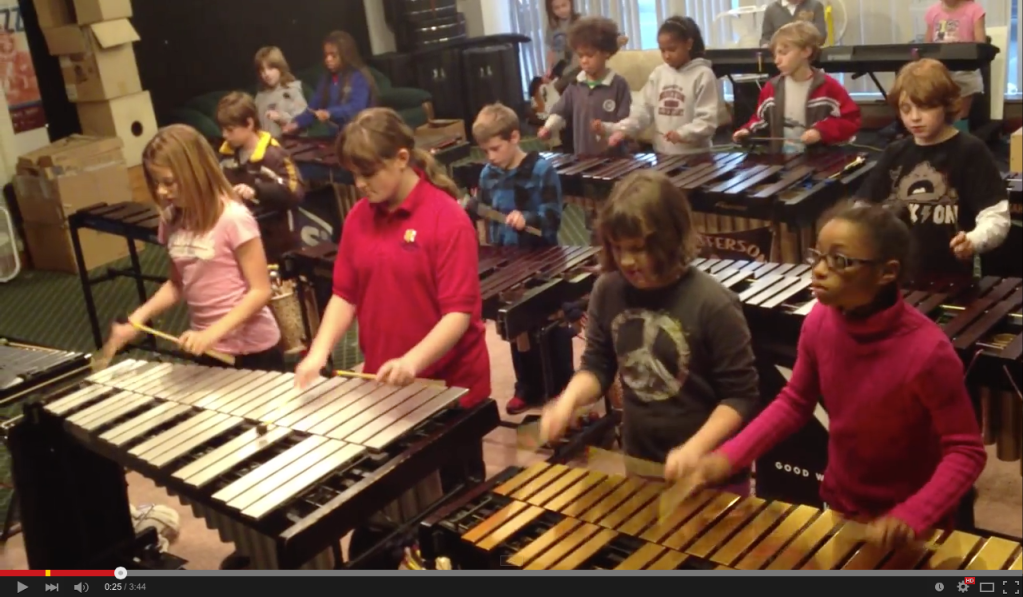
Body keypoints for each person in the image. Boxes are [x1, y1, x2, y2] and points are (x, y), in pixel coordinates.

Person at [682, 201, 988, 550]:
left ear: (887, 272)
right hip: (844, 505)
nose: (819, 271)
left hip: (917, 524)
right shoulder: (819, 322)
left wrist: (913, 514)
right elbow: (794, 403)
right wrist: (728, 457)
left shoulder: (928, 352)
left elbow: (966, 451)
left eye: (840, 261)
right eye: (818, 256)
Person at [539, 170, 761, 488]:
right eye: (618, 248)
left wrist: (695, 448)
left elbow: (741, 397)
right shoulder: (608, 290)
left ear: (669, 240)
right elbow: (598, 366)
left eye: (638, 248)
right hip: (640, 462)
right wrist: (568, 401)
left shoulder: (714, 304)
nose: (627, 261)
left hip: (711, 472)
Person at [101, 124, 283, 372]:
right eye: (156, 183)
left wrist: (211, 333)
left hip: (252, 350)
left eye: (169, 182)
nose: (161, 191)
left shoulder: (233, 218)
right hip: (207, 347)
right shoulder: (171, 220)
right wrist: (137, 319)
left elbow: (260, 291)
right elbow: (177, 283)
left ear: (195, 172)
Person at [856, 58, 1009, 283]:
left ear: (946, 104)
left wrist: (973, 240)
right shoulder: (894, 152)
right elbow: (862, 208)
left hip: (951, 279)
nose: (914, 117)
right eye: (906, 109)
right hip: (896, 278)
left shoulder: (970, 151)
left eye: (925, 107)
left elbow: (996, 215)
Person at [466, 102, 573, 415]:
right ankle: (526, 385)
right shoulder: (488, 174)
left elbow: (553, 219)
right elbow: (485, 214)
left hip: (542, 259)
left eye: (495, 148)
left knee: (549, 322)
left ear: (514, 137)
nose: (490, 156)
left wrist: (528, 219)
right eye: (485, 150)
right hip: (508, 261)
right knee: (516, 326)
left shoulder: (541, 170)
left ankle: (562, 385)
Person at [598, 16, 719, 155]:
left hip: (696, 155)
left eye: (672, 49)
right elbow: (643, 111)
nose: (666, 56)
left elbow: (707, 121)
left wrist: (683, 134)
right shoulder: (659, 74)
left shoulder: (703, 75)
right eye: (662, 50)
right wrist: (621, 130)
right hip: (662, 154)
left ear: (688, 44)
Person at [734, 21, 859, 155]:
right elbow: (760, 120)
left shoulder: (829, 87)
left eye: (783, 53)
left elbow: (850, 121)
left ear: (806, 51)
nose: (776, 60)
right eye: (775, 55)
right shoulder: (772, 88)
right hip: (782, 159)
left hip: (820, 160)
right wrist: (747, 131)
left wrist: (820, 131)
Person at [215, 91, 305, 264]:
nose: (225, 135)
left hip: (279, 243)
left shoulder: (275, 155)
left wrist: (257, 190)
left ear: (249, 123)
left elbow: (296, 191)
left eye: (230, 130)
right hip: (243, 239)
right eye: (223, 129)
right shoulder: (225, 157)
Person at [538, 16, 632, 156]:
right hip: (583, 156)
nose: (584, 61)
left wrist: (610, 131)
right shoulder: (575, 85)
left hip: (614, 157)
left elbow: (626, 122)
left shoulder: (619, 85)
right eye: (580, 56)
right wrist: (548, 128)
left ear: (606, 53)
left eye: (589, 55)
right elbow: (560, 112)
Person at [284, 31, 375, 135]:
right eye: (326, 55)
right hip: (337, 136)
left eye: (333, 55)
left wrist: (330, 113)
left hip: (361, 134)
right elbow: (313, 106)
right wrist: (297, 123)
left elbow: (357, 107)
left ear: (346, 55)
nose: (328, 59)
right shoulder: (326, 79)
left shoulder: (359, 77)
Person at [925, 0, 987, 130]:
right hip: (940, 69)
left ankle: (959, 137)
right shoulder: (933, 11)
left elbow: (980, 44)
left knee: (959, 112)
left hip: (965, 68)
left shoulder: (974, 10)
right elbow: (927, 46)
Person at [253, 46, 308, 139]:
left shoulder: (292, 90)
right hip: (269, 145)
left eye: (270, 68)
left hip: (292, 144)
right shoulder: (260, 97)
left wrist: (281, 118)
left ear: (280, 67)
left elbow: (303, 121)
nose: (266, 74)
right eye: (262, 70)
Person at [760, 0, 828, 47]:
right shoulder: (771, 10)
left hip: (807, 58)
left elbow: (821, 36)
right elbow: (765, 38)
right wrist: (766, 45)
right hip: (780, 59)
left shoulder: (815, 6)